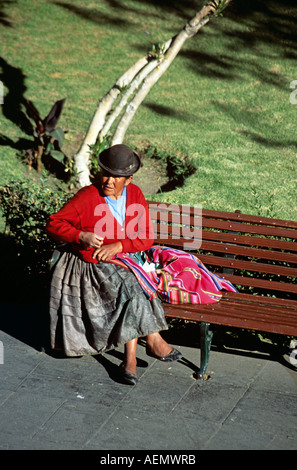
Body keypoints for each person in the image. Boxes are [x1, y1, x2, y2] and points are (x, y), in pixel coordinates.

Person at [46, 144, 182, 386]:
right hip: (91, 266)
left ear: (128, 179)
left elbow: (145, 237)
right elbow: (53, 224)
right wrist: (81, 236)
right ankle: (150, 341)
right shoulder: (88, 196)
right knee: (131, 286)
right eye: (105, 174)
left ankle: (131, 359)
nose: (108, 181)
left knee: (132, 284)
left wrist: (118, 246)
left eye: (116, 177)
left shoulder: (136, 195)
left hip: (123, 260)